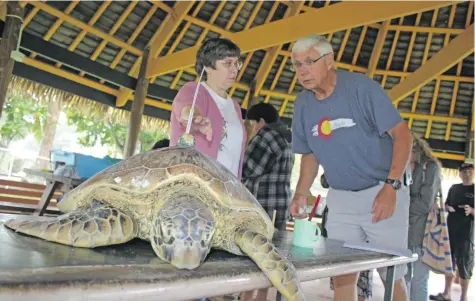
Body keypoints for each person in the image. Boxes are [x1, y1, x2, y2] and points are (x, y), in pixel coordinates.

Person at [289, 35, 412, 301]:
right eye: (297, 65)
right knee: (342, 274)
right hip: (341, 197)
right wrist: (301, 192)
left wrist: (391, 186)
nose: (303, 70)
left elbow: (403, 135)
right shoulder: (302, 104)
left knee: (390, 273)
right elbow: (309, 153)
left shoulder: (361, 89)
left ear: (330, 60)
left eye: (309, 62)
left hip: (381, 190)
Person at [169, 38, 247, 178]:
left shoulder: (235, 106)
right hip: (194, 186)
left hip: (227, 190)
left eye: (236, 64)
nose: (234, 69)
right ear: (208, 67)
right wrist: (195, 118)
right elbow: (188, 109)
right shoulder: (193, 90)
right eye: (227, 63)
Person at [239, 102, 294, 301]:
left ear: (261, 121)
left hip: (262, 206)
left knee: (254, 257)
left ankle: (245, 298)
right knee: (271, 258)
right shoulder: (287, 138)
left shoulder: (266, 136)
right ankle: (260, 297)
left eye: (253, 124)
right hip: (279, 206)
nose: (253, 128)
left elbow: (248, 168)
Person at [320, 173, 374, 301]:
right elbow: (325, 181)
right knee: (342, 278)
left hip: (363, 217)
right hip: (341, 216)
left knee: (358, 277)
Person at [405, 133, 442, 301]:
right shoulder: (401, 166)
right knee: (400, 279)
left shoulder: (430, 167)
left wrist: (399, 205)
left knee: (418, 280)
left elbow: (425, 204)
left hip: (421, 236)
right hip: (401, 234)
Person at [430, 163, 474, 301]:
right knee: (449, 262)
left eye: (469, 171)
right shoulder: (454, 188)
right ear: (459, 173)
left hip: (467, 234)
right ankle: (446, 293)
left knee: (465, 263)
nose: (466, 174)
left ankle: (463, 297)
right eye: (464, 171)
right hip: (450, 230)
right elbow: (447, 204)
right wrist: (446, 207)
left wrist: (472, 210)